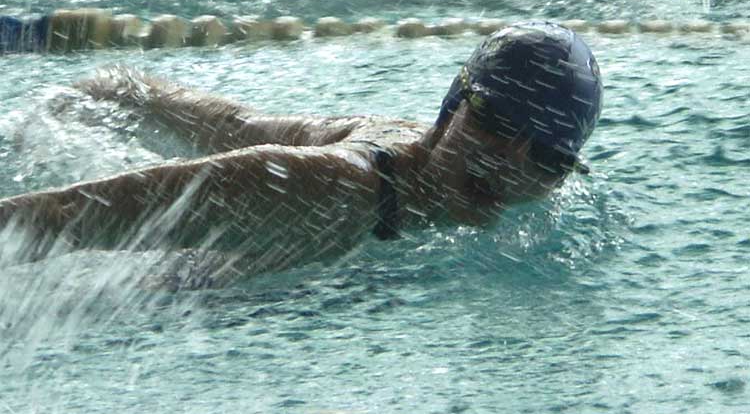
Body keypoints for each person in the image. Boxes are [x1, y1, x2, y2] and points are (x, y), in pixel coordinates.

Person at [0, 21, 602, 288]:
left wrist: (119, 90)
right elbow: (68, 216)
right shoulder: (326, 189)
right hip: (158, 303)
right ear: (451, 108)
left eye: (549, 158)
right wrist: (90, 96)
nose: (511, 163)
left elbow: (236, 124)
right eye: (498, 123)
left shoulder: (416, 157)